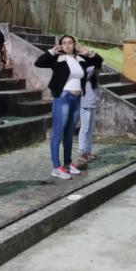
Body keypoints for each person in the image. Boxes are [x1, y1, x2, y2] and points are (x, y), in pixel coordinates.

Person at [34, 35, 96, 180]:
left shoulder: (80, 59)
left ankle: (68, 164)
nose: (68, 45)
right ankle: (56, 167)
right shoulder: (58, 59)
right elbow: (38, 63)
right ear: (61, 46)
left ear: (74, 45)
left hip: (77, 98)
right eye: (64, 43)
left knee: (69, 133)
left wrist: (90, 54)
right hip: (63, 98)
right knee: (58, 132)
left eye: (70, 43)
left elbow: (98, 62)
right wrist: (51, 52)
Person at [74, 53, 105, 166]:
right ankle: (81, 153)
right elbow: (98, 60)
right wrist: (93, 55)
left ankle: (87, 152)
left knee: (90, 130)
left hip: (92, 105)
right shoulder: (87, 74)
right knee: (85, 129)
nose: (100, 71)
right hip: (85, 105)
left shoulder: (94, 80)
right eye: (99, 69)